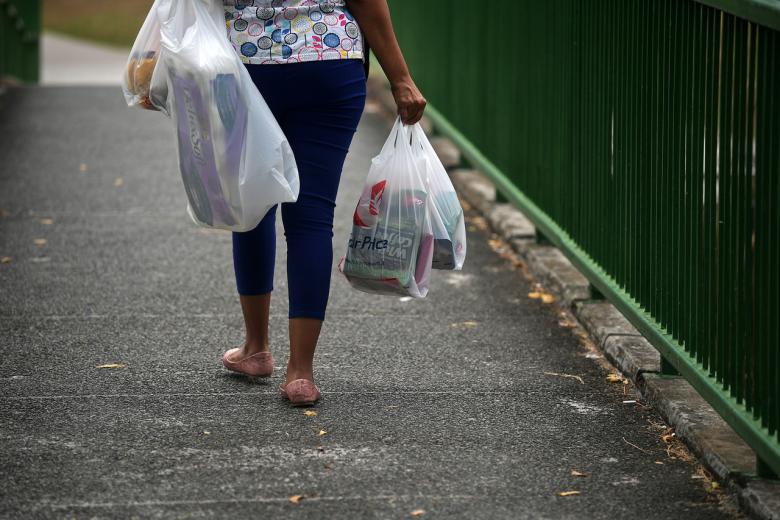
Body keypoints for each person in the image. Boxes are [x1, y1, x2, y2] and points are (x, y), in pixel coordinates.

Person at [220, 0, 426, 406]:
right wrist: (400, 78)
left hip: (247, 66)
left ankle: (256, 348)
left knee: (253, 206)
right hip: (328, 59)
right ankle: (301, 374)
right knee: (312, 217)